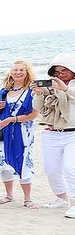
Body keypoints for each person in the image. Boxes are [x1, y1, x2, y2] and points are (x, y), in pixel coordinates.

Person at [0, 61, 39, 208]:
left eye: (22, 70)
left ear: (27, 73)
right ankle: (9, 195)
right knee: (4, 161)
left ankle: (27, 198)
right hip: (3, 131)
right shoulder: (4, 91)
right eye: (15, 70)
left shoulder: (31, 91)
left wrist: (12, 119)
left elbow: (34, 114)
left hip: (22, 131)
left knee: (23, 160)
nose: (18, 72)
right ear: (10, 72)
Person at [33, 52, 75, 218]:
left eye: (64, 71)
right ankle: (61, 198)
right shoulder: (49, 85)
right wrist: (39, 93)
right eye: (56, 72)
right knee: (50, 169)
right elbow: (38, 108)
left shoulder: (70, 86)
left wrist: (65, 89)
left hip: (73, 132)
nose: (60, 75)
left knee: (71, 167)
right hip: (51, 132)